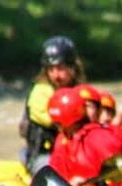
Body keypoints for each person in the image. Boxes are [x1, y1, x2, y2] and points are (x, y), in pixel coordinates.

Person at [19, 35, 84, 173]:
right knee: (55, 171)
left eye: (61, 68)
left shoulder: (80, 90)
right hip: (42, 155)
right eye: (51, 69)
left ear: (73, 67)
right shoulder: (40, 92)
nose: (56, 75)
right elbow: (57, 121)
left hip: (72, 152)